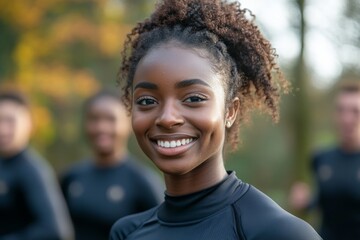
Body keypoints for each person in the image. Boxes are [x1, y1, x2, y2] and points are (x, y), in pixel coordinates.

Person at [109, 0, 322, 239]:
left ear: (230, 111)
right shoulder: (127, 233)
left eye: (193, 98)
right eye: (147, 101)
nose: (167, 118)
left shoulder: (279, 232)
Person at [60, 91, 164, 240]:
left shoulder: (142, 181)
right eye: (94, 119)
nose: (101, 127)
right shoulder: (72, 177)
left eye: (111, 119)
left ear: (128, 123)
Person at [290, 82, 360, 240]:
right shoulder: (321, 158)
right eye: (341, 110)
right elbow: (322, 202)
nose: (347, 118)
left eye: (355, 111)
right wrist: (305, 202)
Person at [0, 91, 74, 240]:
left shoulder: (32, 170)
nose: (3, 129)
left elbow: (56, 230)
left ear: (28, 124)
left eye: (10, 121)